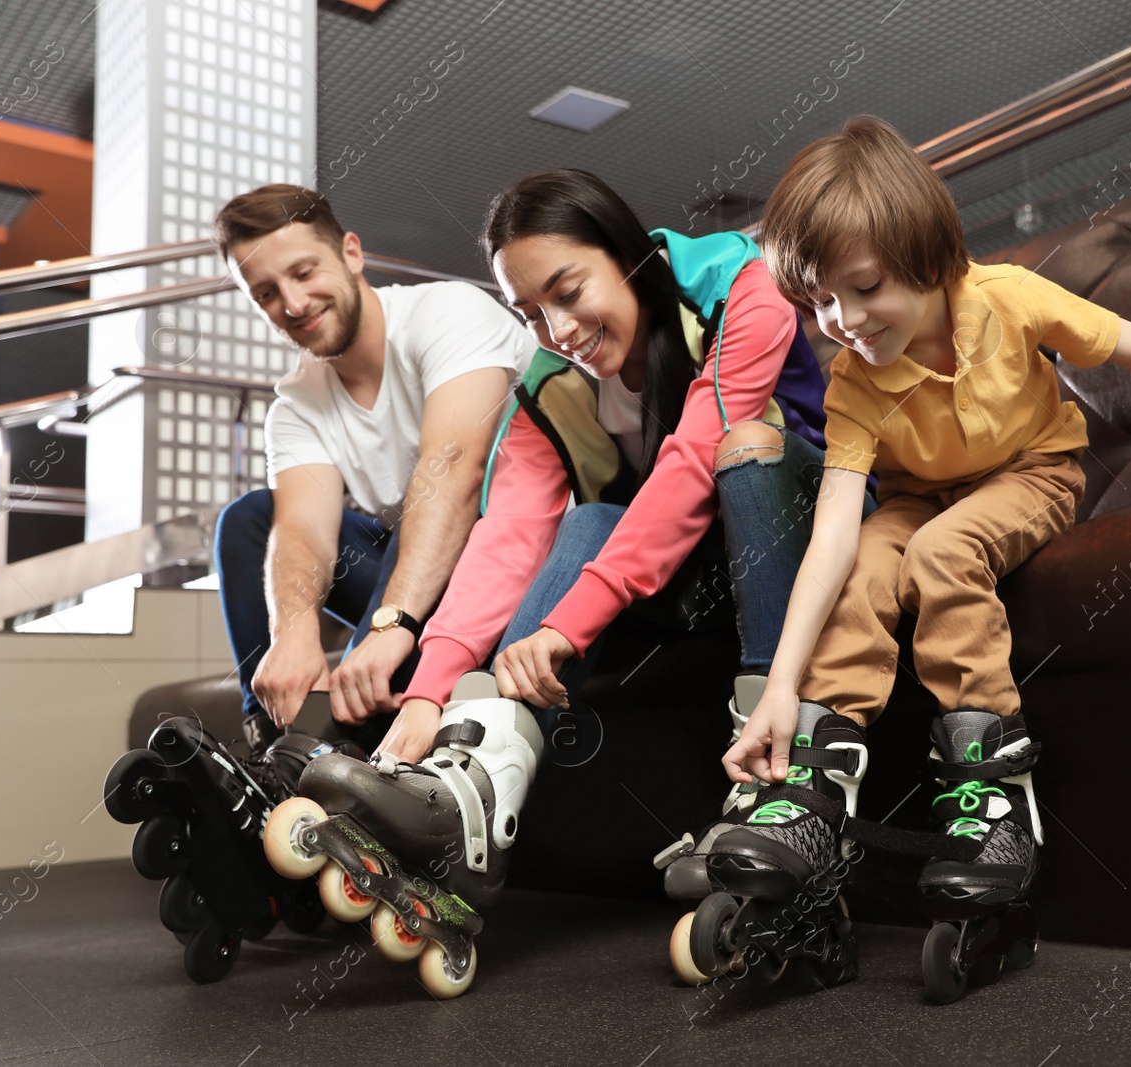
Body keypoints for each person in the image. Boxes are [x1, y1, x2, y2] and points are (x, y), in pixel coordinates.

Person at [714, 117, 1131, 996]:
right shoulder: (854, 384)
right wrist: (779, 686)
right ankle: (814, 790)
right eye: (819, 304)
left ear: (926, 254)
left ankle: (994, 793)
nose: (842, 322)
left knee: (939, 552)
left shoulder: (1006, 298)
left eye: (863, 288)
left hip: (1032, 472)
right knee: (868, 564)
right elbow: (836, 530)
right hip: (921, 496)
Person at [266, 169, 838, 992]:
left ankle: (776, 781)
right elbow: (505, 536)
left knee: (742, 444)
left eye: (568, 291)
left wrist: (566, 626)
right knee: (583, 521)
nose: (558, 328)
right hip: (675, 581)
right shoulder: (546, 384)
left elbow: (688, 468)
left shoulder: (741, 284)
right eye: (531, 312)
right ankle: (469, 787)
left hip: (795, 535)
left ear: (629, 254)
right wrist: (430, 691)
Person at [212, 183, 533, 747]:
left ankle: (335, 745)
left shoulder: (446, 313)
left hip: (517, 563)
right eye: (265, 293)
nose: (292, 303)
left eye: (304, 271)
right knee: (249, 518)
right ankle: (270, 738)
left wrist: (392, 626)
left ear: (352, 254)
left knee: (420, 496)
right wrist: (295, 631)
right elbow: (303, 529)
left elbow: (455, 471)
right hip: (425, 577)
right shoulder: (296, 406)